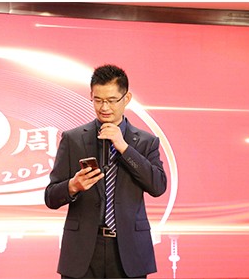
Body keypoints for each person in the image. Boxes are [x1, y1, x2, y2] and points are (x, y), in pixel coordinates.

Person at [45, 65, 167, 279]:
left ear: (126, 98)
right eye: (98, 100)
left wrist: (125, 148)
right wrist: (72, 186)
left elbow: (157, 186)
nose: (104, 107)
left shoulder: (146, 142)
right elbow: (51, 197)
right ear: (91, 96)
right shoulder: (73, 139)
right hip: (83, 251)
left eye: (111, 100)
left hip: (129, 251)